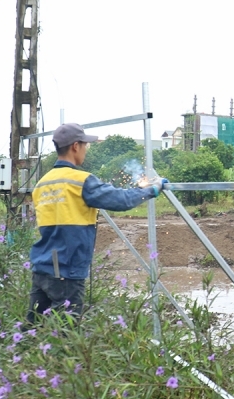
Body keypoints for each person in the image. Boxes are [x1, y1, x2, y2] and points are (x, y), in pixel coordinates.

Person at [28, 123, 165, 323]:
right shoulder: (81, 180)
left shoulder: (43, 183)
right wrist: (152, 190)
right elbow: (121, 200)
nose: (86, 150)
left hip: (42, 266)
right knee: (65, 333)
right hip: (67, 270)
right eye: (85, 145)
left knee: (34, 329)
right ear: (75, 146)